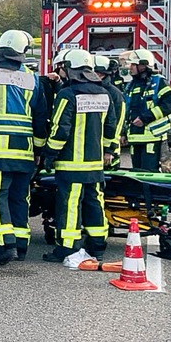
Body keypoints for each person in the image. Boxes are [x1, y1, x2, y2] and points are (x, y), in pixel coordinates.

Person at [0, 30, 49, 265]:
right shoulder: (33, 79)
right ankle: (21, 246)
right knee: (20, 197)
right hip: (24, 151)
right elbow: (40, 118)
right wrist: (39, 150)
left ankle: (5, 246)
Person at [41, 49, 113, 263]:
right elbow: (110, 129)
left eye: (61, 68)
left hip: (71, 165)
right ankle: (97, 245)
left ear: (69, 68)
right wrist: (107, 152)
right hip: (95, 164)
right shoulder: (104, 94)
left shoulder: (67, 94)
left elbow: (60, 130)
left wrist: (49, 154)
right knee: (94, 202)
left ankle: (67, 247)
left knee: (71, 205)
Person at [123, 49, 171, 172]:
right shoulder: (131, 85)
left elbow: (170, 105)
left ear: (142, 66)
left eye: (133, 64)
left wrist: (145, 118)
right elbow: (127, 111)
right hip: (135, 139)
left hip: (152, 138)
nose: (130, 68)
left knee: (149, 174)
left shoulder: (158, 82)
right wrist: (123, 132)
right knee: (137, 174)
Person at [94, 55, 127, 170]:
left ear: (100, 74)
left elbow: (117, 125)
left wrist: (109, 150)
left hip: (108, 153)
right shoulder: (93, 91)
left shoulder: (115, 94)